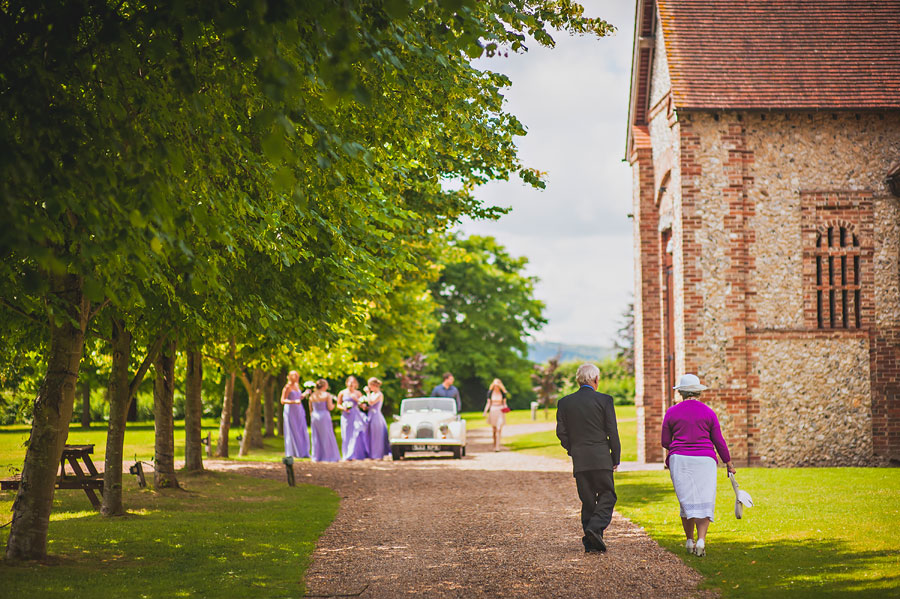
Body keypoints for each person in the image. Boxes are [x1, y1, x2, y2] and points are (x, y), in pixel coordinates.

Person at [662, 373, 735, 557]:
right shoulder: (708, 412)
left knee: (686, 501)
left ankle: (689, 540)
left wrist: (677, 447)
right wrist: (728, 463)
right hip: (705, 461)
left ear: (681, 393)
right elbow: (719, 441)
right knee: (704, 500)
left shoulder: (671, 412)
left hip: (680, 460)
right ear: (698, 392)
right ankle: (701, 540)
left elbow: (665, 441)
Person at [556, 363, 621, 554]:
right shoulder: (605, 400)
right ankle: (594, 529)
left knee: (588, 499)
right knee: (608, 494)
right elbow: (612, 432)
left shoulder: (565, 402)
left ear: (578, 380)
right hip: (601, 458)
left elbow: (562, 433)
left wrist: (573, 450)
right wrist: (615, 457)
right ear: (596, 379)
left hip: (580, 459)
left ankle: (592, 541)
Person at [337, 376, 369, 460]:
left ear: (355, 384)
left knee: (357, 433)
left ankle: (357, 454)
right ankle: (347, 455)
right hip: (346, 416)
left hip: (356, 415)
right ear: (347, 383)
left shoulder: (358, 393)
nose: (351, 384)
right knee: (346, 434)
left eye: (353, 382)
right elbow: (338, 405)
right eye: (349, 382)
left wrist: (360, 402)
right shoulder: (342, 393)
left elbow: (362, 406)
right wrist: (344, 408)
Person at [308, 379, 341, 462]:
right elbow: (330, 407)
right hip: (324, 416)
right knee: (327, 435)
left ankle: (317, 456)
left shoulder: (312, 396)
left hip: (315, 416)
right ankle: (328, 456)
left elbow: (310, 410)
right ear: (324, 386)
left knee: (316, 436)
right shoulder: (326, 395)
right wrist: (334, 404)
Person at [281, 370, 310, 459]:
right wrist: (293, 402)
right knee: (293, 430)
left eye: (297, 376)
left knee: (301, 428)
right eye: (295, 376)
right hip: (291, 411)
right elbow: (282, 400)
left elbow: (299, 397)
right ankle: (293, 452)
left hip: (299, 410)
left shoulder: (297, 386)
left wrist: (305, 394)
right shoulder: (287, 387)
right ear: (289, 377)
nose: (297, 378)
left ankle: (302, 450)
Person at [364, 377, 391, 460]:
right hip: (370, 415)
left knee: (377, 435)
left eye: (370, 386)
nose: (369, 388)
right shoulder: (372, 394)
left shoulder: (379, 394)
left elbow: (371, 402)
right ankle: (371, 454)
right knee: (371, 435)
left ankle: (378, 454)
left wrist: (367, 393)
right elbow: (369, 404)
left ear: (373, 385)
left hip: (376, 416)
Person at [482, 378, 509, 452]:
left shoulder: (502, 393)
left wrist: (506, 409)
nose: (496, 387)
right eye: (495, 385)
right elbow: (488, 403)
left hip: (500, 410)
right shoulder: (490, 393)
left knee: (499, 428)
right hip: (493, 410)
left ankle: (498, 446)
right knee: (494, 430)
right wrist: (485, 411)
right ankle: (494, 444)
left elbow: (504, 403)